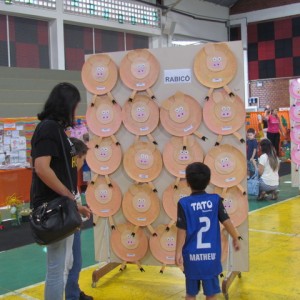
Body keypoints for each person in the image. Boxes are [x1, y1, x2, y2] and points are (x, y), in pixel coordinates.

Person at [30, 82, 91, 300]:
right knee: (58, 268)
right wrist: (68, 196)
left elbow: (61, 170)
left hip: (62, 205)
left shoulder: (57, 130)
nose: (75, 111)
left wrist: (76, 204)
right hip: (53, 208)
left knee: (65, 265)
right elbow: (42, 168)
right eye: (74, 105)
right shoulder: (48, 128)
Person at [175, 162, 241, 300]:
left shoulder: (183, 203)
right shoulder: (215, 200)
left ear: (187, 182)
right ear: (209, 181)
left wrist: (177, 252)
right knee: (211, 294)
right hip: (211, 257)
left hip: (191, 257)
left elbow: (182, 229)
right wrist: (235, 237)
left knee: (190, 294)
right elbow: (226, 221)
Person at [65, 137, 93, 300]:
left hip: (73, 222)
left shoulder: (70, 175)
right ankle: (72, 295)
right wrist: (79, 209)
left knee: (73, 262)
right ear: (76, 157)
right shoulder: (67, 175)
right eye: (82, 158)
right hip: (69, 224)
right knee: (73, 263)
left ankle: (74, 291)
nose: (83, 162)